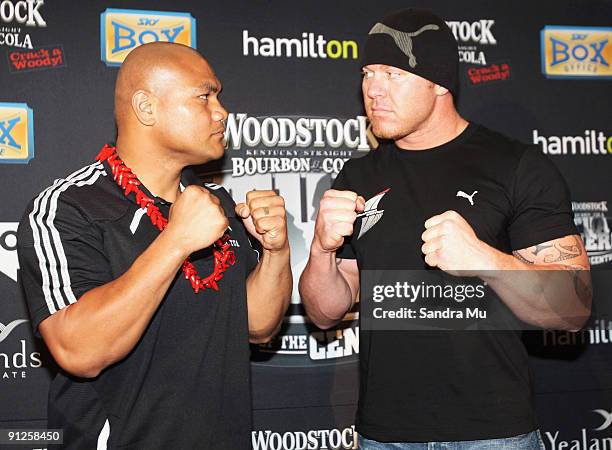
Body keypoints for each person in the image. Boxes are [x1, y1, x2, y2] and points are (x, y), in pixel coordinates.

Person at [299, 8, 592, 450]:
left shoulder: (515, 166)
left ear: (439, 83)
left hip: (493, 434)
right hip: (386, 434)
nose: (372, 89)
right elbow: (325, 313)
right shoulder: (357, 176)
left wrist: (486, 261)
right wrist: (321, 250)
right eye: (368, 72)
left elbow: (572, 307)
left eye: (393, 73)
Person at [17, 42, 292, 449]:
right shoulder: (69, 207)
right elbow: (79, 350)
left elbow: (257, 325)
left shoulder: (217, 204)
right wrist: (176, 240)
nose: (222, 112)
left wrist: (276, 252)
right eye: (204, 96)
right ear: (146, 108)